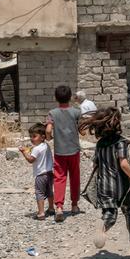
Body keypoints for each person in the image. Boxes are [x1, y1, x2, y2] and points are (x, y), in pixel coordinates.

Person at [80, 107, 130, 256]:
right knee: (129, 211)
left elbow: (95, 165)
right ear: (116, 123)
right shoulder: (121, 142)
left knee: (110, 213)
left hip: (104, 185)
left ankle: (103, 226)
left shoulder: (100, 144)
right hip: (121, 185)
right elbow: (123, 164)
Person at [45, 85, 82, 222]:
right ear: (70, 97)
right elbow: (82, 130)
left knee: (59, 178)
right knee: (74, 177)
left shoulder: (52, 113)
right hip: (74, 151)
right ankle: (74, 205)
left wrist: (50, 138)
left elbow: (48, 130)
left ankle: (59, 207)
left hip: (60, 152)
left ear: (55, 98)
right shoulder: (76, 112)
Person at [20, 123, 54, 220]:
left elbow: (31, 160)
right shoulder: (46, 146)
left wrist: (24, 153)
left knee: (39, 193)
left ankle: (41, 213)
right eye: (30, 136)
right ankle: (51, 208)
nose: (32, 138)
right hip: (49, 173)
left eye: (34, 136)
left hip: (40, 175)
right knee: (50, 191)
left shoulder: (36, 149)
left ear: (42, 137)